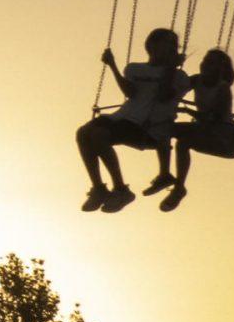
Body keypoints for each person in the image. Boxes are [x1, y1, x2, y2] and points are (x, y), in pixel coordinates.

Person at [76, 27, 183, 213]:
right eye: (166, 43)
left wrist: (171, 69)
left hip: (146, 127)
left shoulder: (178, 76)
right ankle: (99, 189)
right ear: (151, 46)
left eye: (173, 45)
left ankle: (121, 190)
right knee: (83, 133)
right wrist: (113, 66)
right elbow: (130, 92)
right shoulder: (134, 68)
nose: (170, 48)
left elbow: (165, 96)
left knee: (99, 135)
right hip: (123, 117)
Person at [151, 46, 234, 212]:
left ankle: (179, 188)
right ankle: (165, 174)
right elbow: (176, 92)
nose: (204, 65)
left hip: (219, 133)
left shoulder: (222, 89)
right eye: (204, 61)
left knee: (183, 143)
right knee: (164, 128)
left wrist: (186, 110)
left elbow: (216, 119)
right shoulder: (197, 80)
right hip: (202, 127)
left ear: (220, 69)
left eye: (210, 63)